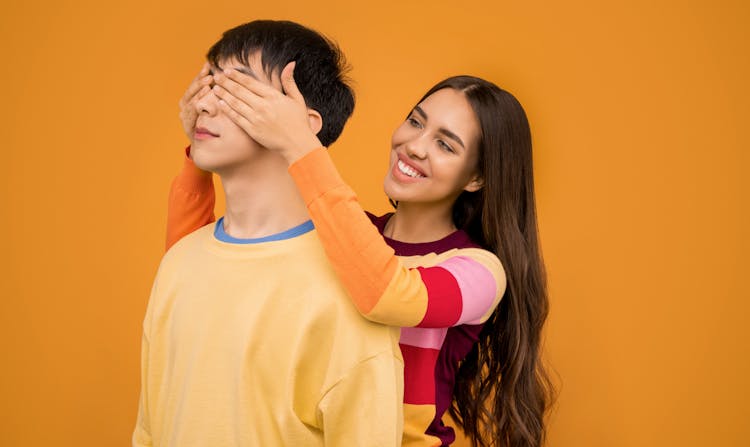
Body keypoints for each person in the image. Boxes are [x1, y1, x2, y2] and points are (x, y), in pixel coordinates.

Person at [170, 66, 553, 446]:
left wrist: (300, 147)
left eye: (445, 144)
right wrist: (199, 155)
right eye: (416, 122)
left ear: (476, 178)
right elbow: (197, 269)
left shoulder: (479, 272)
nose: (415, 145)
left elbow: (386, 295)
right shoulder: (341, 234)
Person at [134, 20, 405, 447]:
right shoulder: (179, 262)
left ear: (305, 122)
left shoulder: (349, 289)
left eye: (238, 90)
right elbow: (149, 429)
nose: (204, 105)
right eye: (209, 83)